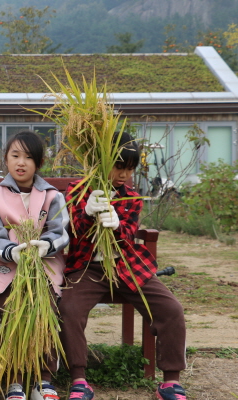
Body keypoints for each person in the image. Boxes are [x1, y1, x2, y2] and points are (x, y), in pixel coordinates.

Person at [58, 132, 187, 400]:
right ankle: (79, 379)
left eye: (130, 169)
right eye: (119, 166)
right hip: (87, 268)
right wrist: (87, 212)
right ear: (102, 161)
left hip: (125, 265)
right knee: (69, 308)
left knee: (170, 308)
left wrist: (116, 226)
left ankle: (170, 381)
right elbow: (74, 232)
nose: (124, 174)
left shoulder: (131, 197)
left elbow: (127, 235)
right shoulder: (78, 190)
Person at [0, 130, 69, 400]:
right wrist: (12, 252)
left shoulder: (53, 197)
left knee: (47, 312)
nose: (21, 162)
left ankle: (44, 379)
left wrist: (45, 246)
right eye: (15, 155)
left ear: (38, 163)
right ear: (5, 159)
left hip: (44, 268)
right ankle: (14, 380)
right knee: (10, 312)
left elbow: (60, 232)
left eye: (28, 157)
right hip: (4, 268)